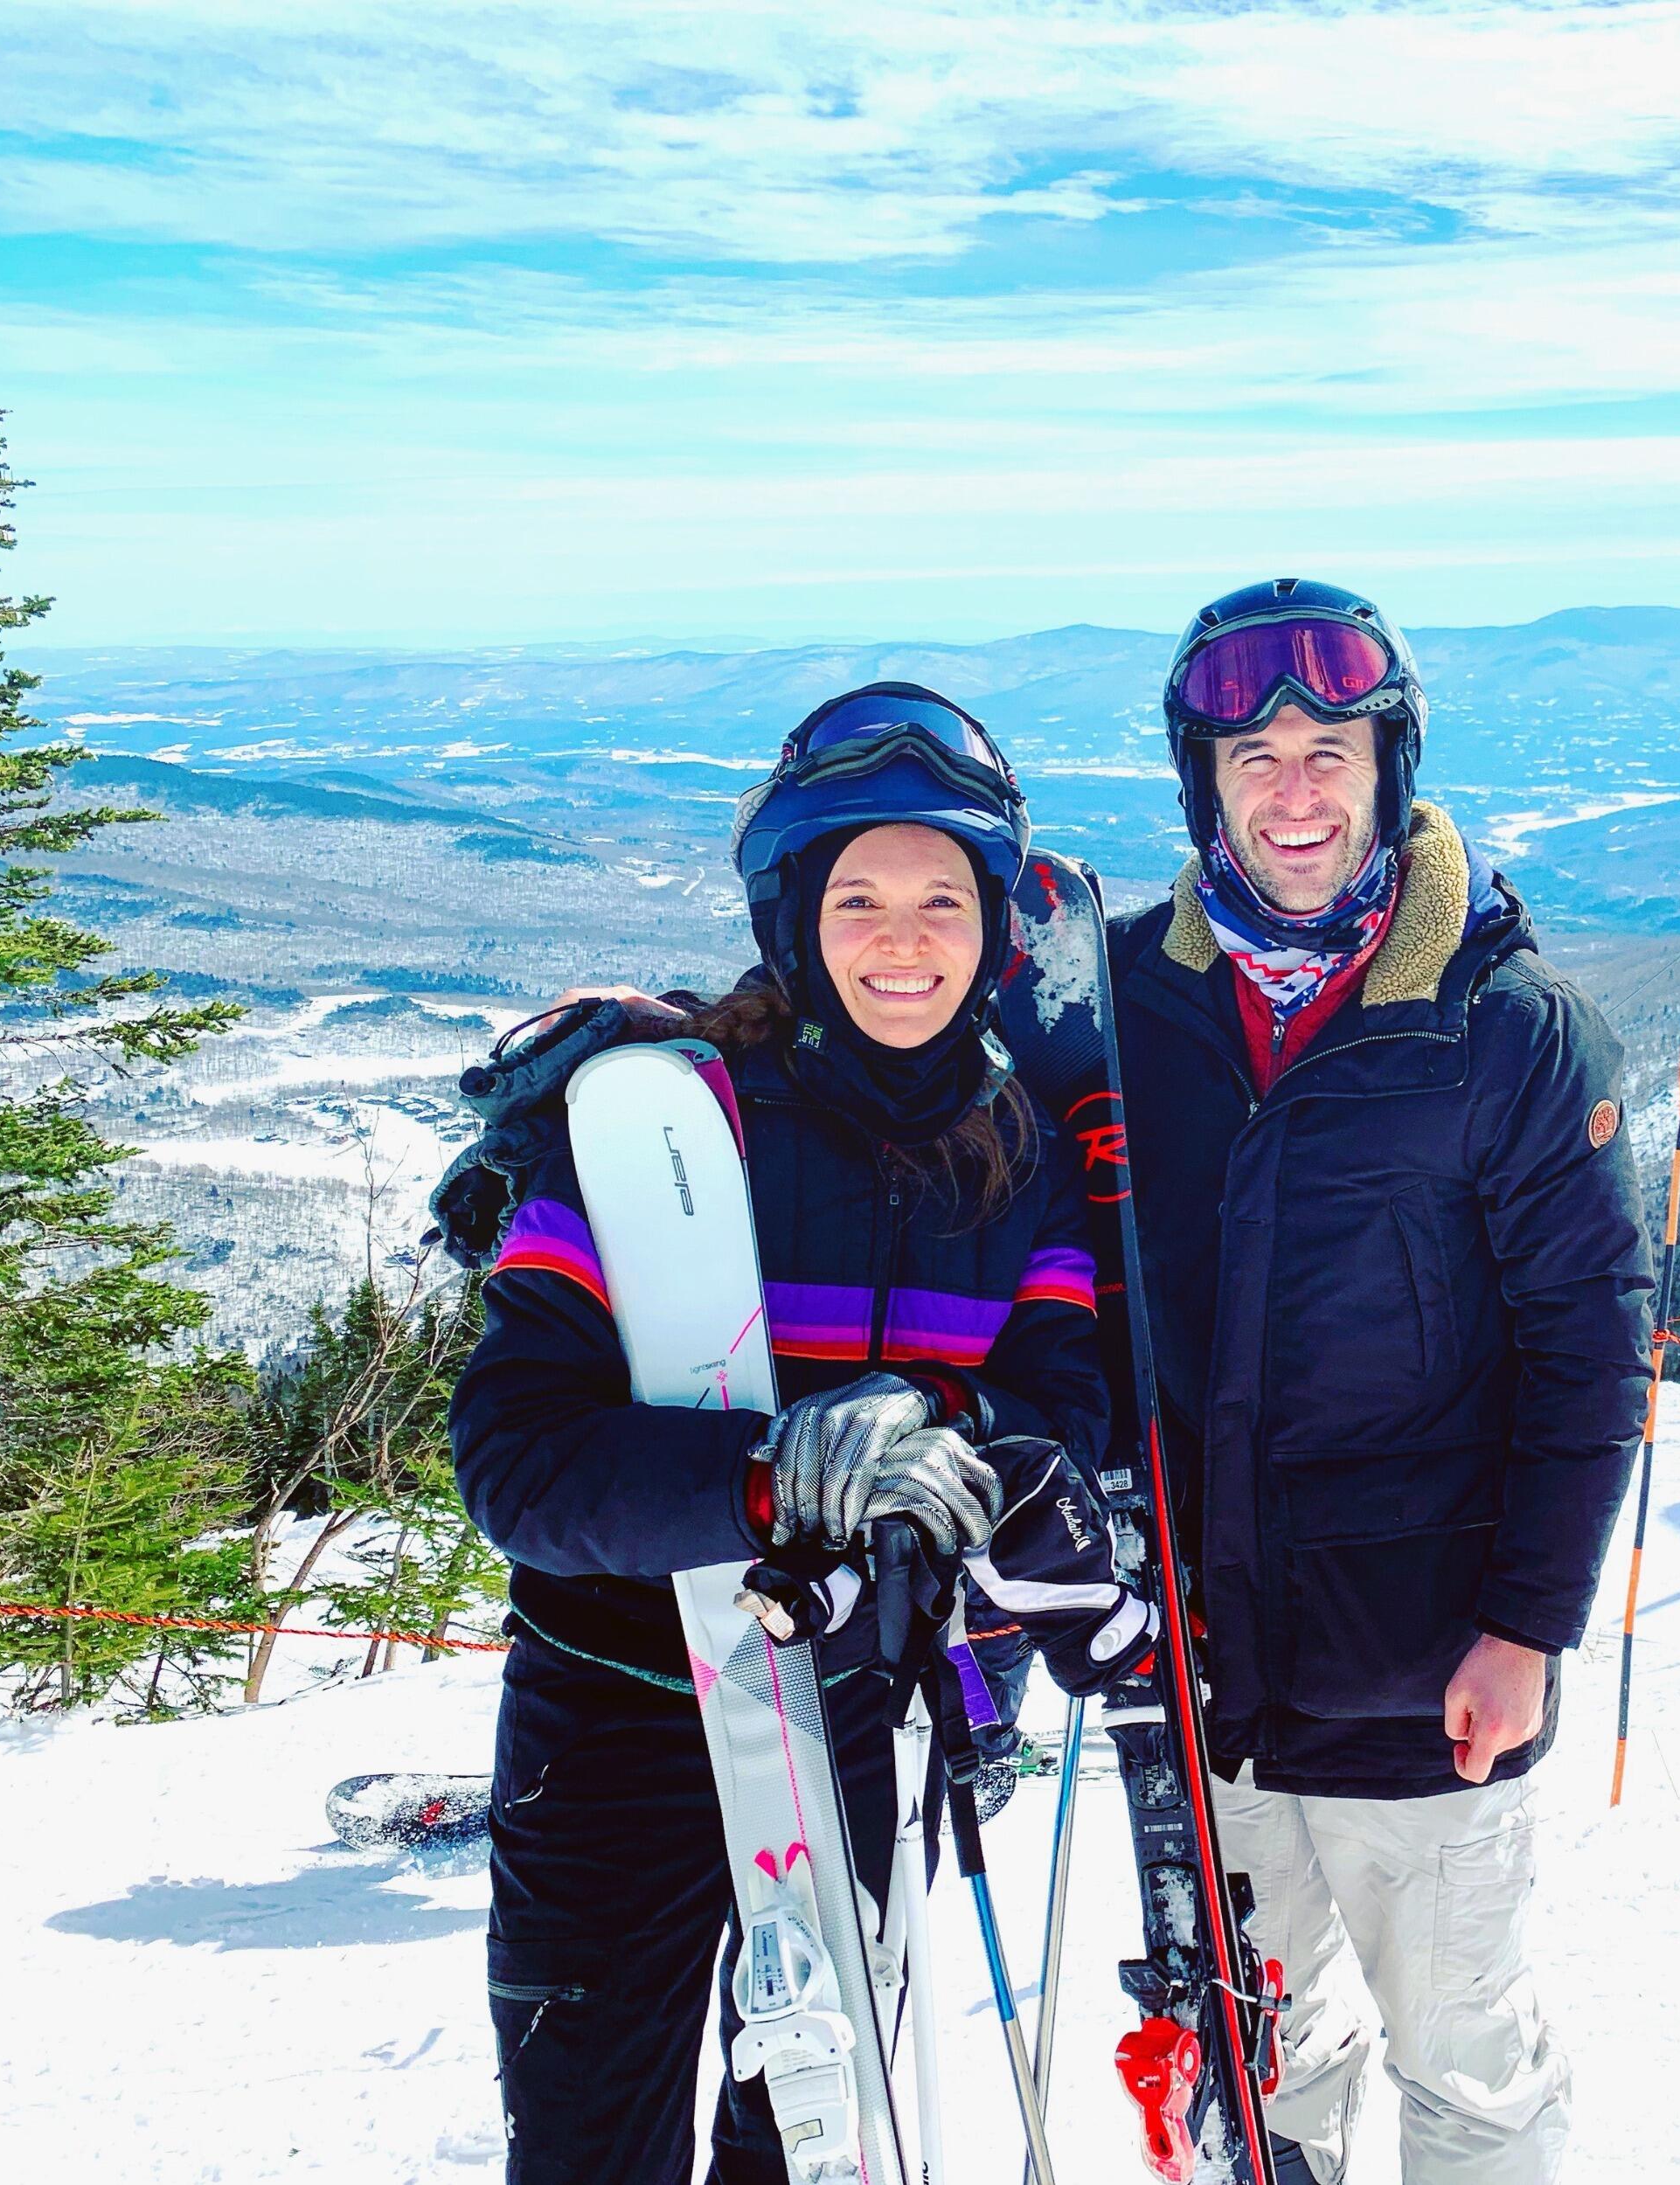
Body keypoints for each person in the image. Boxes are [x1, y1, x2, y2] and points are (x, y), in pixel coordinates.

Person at [443, 683, 1154, 2185]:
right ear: (797, 918)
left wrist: (935, 1423)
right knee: (591, 2153)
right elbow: (520, 1462)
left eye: (944, 899)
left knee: (810, 2148)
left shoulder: (1019, 1160)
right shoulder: (661, 1127)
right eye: (863, 897)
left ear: (994, 928)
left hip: (853, 1714)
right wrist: (766, 1478)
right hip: (618, 1710)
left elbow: (1061, 1402)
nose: (906, 938)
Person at [1107, 579, 1654, 2184]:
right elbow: (908, 996)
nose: (1292, 790)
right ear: (1201, 780)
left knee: (1467, 2072)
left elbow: (1586, 1346)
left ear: (1386, 768)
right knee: (1260, 2058)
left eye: (1326, 749)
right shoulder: (1141, 999)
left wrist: (1528, 1625)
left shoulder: (1502, 1027)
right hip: (1208, 1671)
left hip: (1429, 1679)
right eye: (1253, 755)